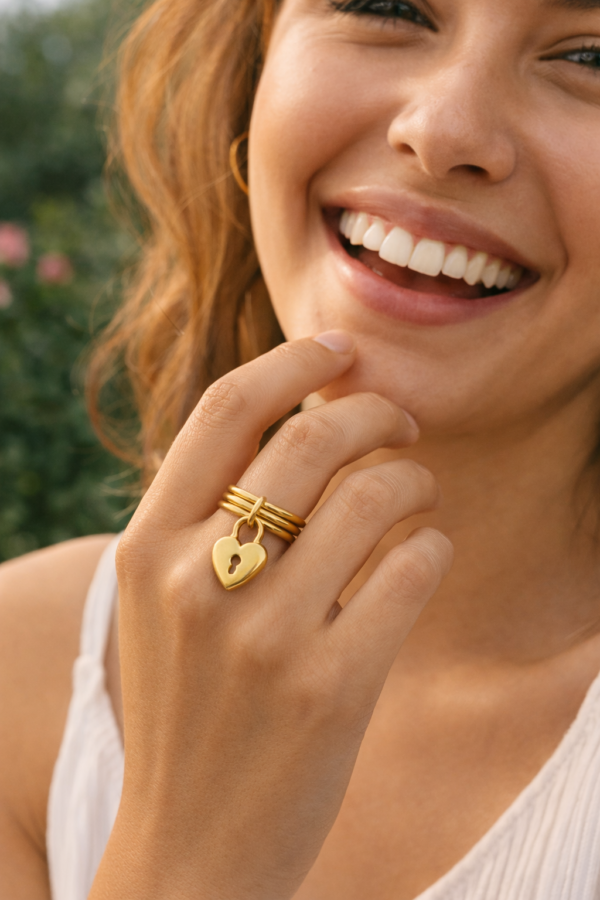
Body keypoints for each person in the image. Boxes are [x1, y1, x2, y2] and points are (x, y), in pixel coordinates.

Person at [4, 0, 600, 896]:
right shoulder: (20, 671)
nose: (443, 131)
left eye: (591, 55)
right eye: (383, 5)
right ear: (252, 68)